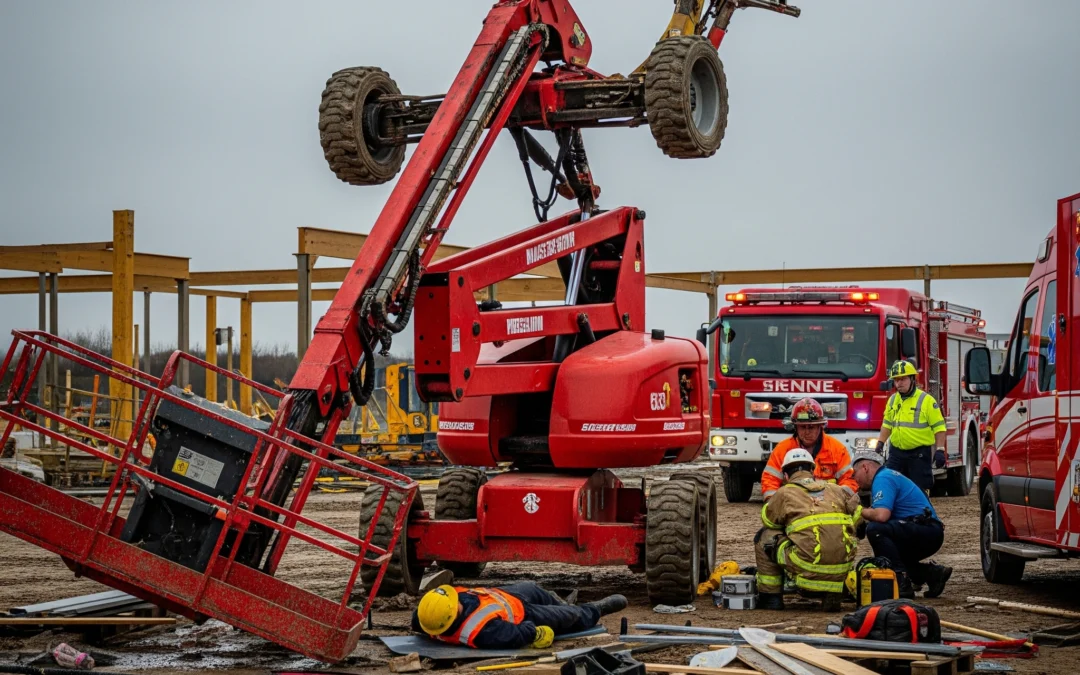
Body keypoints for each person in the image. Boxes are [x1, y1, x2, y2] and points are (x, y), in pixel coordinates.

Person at [754, 448, 862, 611]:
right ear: (813, 470)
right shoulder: (836, 490)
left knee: (764, 537)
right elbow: (859, 523)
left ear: (785, 475)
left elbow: (770, 521)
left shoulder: (785, 493)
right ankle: (832, 590)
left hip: (806, 564)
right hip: (843, 564)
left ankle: (771, 598)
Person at [851, 449, 952, 599]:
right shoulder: (888, 475)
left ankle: (901, 582)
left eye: (855, 473)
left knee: (876, 530)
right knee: (888, 555)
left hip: (925, 530)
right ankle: (932, 574)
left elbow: (881, 515)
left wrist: (857, 510)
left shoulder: (883, 478)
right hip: (927, 530)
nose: (854, 478)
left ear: (865, 467)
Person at [412, 582, 627, 649]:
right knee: (570, 616)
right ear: (452, 615)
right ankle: (595, 609)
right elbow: (519, 635)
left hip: (504, 594)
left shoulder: (428, 616)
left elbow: (416, 618)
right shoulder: (484, 632)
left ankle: (556, 601)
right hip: (523, 613)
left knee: (532, 588)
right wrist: (535, 631)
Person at [761, 398, 858, 501]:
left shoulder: (837, 449)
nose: (807, 432)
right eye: (803, 427)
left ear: (820, 427)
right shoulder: (782, 449)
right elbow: (770, 480)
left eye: (811, 427)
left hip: (828, 503)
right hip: (795, 504)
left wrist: (840, 500)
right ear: (795, 428)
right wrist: (774, 503)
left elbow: (849, 481)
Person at [875, 359, 947, 493]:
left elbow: (939, 427)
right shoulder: (892, 400)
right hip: (896, 452)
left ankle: (921, 513)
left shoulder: (926, 400)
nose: (899, 383)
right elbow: (887, 424)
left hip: (918, 454)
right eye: (896, 380)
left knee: (919, 490)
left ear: (912, 379)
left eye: (903, 379)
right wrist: (880, 442)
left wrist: (940, 449)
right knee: (890, 484)